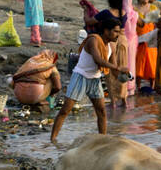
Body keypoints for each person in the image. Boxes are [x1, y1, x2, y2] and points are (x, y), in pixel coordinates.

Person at [50, 11, 129, 143]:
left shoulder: (111, 47)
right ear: (106, 31)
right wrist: (117, 68)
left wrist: (124, 75)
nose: (118, 35)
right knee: (65, 110)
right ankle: (52, 140)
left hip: (95, 79)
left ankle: (102, 140)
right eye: (115, 32)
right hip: (80, 76)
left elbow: (113, 69)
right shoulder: (93, 40)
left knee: (101, 112)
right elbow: (98, 60)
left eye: (119, 32)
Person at [133, 0, 161, 91]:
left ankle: (153, 85)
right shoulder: (133, 8)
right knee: (139, 62)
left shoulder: (153, 8)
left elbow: (157, 23)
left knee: (152, 62)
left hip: (151, 38)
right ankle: (138, 85)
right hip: (138, 37)